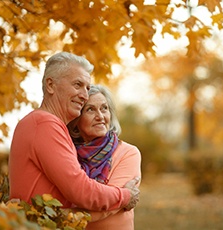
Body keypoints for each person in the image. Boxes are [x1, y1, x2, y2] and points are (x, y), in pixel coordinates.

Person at [9, 52, 140, 212]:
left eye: (87, 88)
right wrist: (125, 195)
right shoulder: (44, 124)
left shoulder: (45, 124)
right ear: (50, 85)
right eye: (77, 85)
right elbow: (81, 191)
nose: (85, 96)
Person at [67, 84, 142, 230]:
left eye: (104, 108)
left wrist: (62, 215)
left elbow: (110, 206)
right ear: (76, 120)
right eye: (90, 109)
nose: (100, 116)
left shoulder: (128, 153)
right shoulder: (67, 153)